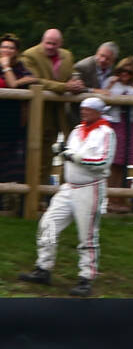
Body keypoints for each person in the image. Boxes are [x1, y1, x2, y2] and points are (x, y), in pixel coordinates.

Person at [18, 96, 114, 297]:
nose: (84, 112)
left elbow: (102, 163)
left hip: (90, 188)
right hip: (69, 187)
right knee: (48, 223)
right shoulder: (77, 130)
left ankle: (86, 277)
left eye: (88, 109)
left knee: (86, 235)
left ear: (98, 112)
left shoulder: (106, 133)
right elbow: (68, 154)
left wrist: (72, 156)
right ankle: (44, 267)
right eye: (83, 109)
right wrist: (61, 151)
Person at [21, 29, 82, 196]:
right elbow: (35, 81)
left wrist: (75, 83)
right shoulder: (30, 55)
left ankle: (59, 195)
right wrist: (64, 87)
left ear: (60, 44)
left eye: (54, 44)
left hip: (61, 114)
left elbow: (71, 76)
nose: (50, 46)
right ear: (42, 41)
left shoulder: (67, 56)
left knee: (56, 156)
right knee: (37, 156)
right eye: (47, 43)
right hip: (38, 114)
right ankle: (34, 198)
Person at [102, 57, 133, 213]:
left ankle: (120, 198)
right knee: (114, 163)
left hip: (128, 125)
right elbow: (103, 97)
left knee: (124, 163)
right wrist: (110, 85)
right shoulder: (111, 81)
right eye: (122, 71)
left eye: (129, 72)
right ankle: (110, 199)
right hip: (114, 124)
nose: (125, 74)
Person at [0, 34, 38, 204]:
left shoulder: (20, 67)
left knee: (10, 164)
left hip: (12, 122)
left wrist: (8, 68)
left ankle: (9, 201)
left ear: (17, 51)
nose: (7, 50)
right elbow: (13, 84)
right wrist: (8, 71)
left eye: (11, 47)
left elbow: (32, 79)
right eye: (4, 46)